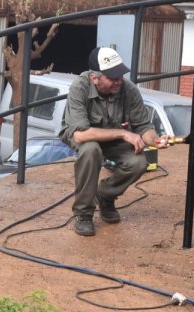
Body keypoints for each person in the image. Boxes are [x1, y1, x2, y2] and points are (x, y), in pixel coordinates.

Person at [60, 47, 173, 237]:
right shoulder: (79, 87)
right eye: (112, 77)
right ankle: (83, 213)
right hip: (83, 135)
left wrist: (155, 139)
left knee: (138, 162)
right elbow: (80, 135)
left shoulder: (128, 89)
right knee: (91, 150)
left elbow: (143, 126)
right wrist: (123, 134)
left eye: (120, 75)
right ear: (94, 78)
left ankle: (106, 195)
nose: (118, 80)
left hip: (113, 137)